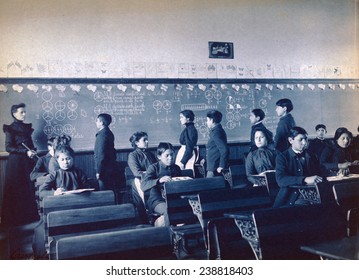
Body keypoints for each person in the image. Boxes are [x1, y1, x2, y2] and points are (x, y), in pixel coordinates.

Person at [1, 103, 39, 228]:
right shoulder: (10, 128)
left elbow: (30, 144)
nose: (24, 114)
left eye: (24, 112)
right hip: (16, 164)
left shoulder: (26, 128)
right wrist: (25, 151)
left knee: (28, 187)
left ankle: (28, 218)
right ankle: (16, 221)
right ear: (14, 113)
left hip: (27, 162)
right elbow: (8, 147)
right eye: (21, 112)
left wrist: (33, 150)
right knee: (17, 189)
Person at [273, 127, 323, 208]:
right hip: (291, 198)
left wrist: (336, 174)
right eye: (301, 139)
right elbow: (281, 180)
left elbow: (321, 172)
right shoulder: (282, 157)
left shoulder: (312, 155)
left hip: (313, 194)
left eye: (306, 139)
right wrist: (304, 179)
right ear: (290, 140)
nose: (304, 142)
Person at [141, 142, 182, 227]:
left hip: (173, 198)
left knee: (186, 208)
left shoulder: (176, 168)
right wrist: (159, 180)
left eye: (172, 155)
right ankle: (169, 236)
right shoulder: (154, 168)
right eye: (167, 156)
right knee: (168, 209)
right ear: (159, 156)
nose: (170, 158)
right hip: (157, 200)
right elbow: (143, 186)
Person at [128, 131, 157, 223]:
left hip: (152, 180)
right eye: (144, 140)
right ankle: (146, 221)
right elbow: (137, 172)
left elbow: (157, 167)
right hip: (140, 181)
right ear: (136, 143)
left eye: (147, 140)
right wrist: (151, 173)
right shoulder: (133, 155)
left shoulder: (150, 154)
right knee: (144, 204)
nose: (147, 142)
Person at [94, 113, 117, 191]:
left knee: (104, 192)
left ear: (102, 122)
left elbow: (101, 154)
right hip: (110, 168)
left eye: (97, 121)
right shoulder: (108, 133)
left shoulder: (102, 135)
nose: (96, 122)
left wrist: (99, 171)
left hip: (104, 170)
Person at [205, 110, 229, 177]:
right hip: (213, 165)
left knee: (210, 185)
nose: (206, 122)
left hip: (214, 167)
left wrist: (221, 165)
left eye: (207, 120)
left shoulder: (216, 133)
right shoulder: (216, 130)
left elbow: (224, 149)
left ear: (212, 120)